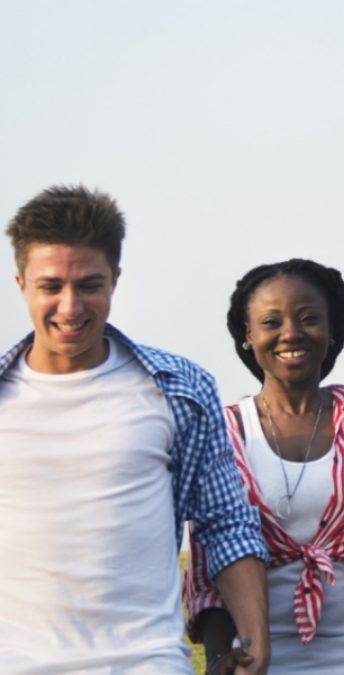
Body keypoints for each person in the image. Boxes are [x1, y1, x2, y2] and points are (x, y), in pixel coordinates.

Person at [0, 185, 270, 674]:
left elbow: (225, 522)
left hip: (147, 661)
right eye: (50, 286)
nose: (70, 306)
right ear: (21, 283)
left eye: (88, 285)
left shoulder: (178, 389)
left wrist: (254, 641)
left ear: (115, 281)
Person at [185, 258, 344, 674]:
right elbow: (206, 567)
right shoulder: (221, 431)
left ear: (332, 330)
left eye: (309, 318)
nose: (291, 333)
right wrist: (219, 656)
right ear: (248, 335)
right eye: (271, 321)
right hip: (257, 658)